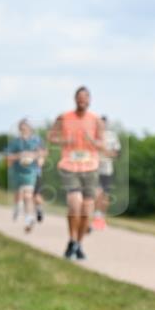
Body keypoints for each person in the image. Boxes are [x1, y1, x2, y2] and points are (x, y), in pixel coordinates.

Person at [48, 87, 104, 259]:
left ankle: (78, 244)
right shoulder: (63, 117)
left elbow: (102, 145)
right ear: (75, 99)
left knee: (87, 209)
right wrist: (65, 140)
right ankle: (72, 239)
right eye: (79, 98)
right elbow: (51, 137)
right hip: (69, 166)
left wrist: (91, 140)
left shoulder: (96, 120)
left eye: (85, 98)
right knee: (75, 204)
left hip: (90, 167)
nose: (82, 101)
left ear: (90, 100)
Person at [6, 119, 46, 233]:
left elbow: (42, 153)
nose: (23, 130)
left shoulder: (37, 140)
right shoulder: (15, 142)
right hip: (19, 173)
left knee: (35, 196)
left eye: (25, 128)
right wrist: (19, 156)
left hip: (34, 172)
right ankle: (23, 213)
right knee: (23, 195)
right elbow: (8, 156)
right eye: (21, 128)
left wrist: (34, 156)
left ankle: (37, 211)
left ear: (30, 128)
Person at [92, 116, 122, 231]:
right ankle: (95, 217)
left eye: (104, 124)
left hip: (107, 169)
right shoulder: (93, 134)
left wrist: (105, 152)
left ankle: (101, 218)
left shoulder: (112, 136)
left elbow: (117, 153)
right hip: (94, 168)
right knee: (97, 192)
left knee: (105, 195)